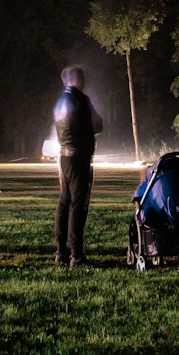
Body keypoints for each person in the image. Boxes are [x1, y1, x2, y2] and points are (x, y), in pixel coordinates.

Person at [52, 64, 102, 268]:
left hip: (64, 156)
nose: (85, 80)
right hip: (79, 157)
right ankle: (77, 255)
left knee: (64, 202)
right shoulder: (80, 99)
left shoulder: (60, 101)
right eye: (82, 76)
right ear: (75, 79)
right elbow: (98, 124)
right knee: (78, 205)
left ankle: (61, 251)